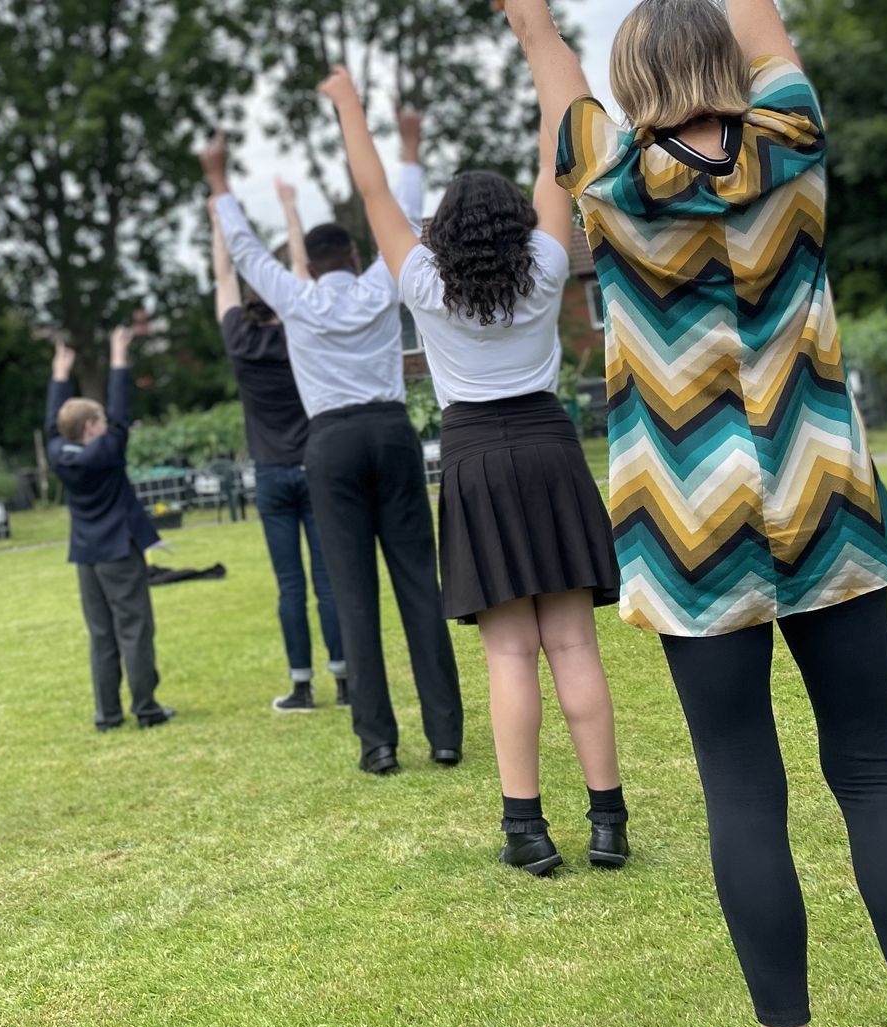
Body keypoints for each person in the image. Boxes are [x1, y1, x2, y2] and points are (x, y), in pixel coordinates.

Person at [507, 0, 887, 1027]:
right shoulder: (794, 140)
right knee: (874, 771)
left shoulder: (603, 180)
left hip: (687, 533)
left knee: (742, 789)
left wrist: (531, 21)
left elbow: (548, 59)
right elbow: (767, 39)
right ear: (730, 68)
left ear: (633, 83)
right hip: (827, 501)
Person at [321, 66, 630, 876]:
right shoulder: (550, 262)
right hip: (550, 448)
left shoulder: (422, 279)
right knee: (573, 645)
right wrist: (541, 56)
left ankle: (526, 831)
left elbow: (373, 188)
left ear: (445, 233)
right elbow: (554, 151)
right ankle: (607, 823)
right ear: (519, 222)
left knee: (509, 657)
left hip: (474, 459)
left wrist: (349, 103)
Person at [202, 126, 465, 777]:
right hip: (391, 431)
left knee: (352, 593)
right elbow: (401, 218)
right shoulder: (382, 285)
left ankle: (377, 742)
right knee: (418, 587)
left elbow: (242, 251)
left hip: (330, 443)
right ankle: (444, 735)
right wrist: (408, 153)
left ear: (313, 265)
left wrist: (219, 184)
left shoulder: (295, 297)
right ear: (353, 254)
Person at [207, 188, 348, 713]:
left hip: (269, 475)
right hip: (313, 467)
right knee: (326, 581)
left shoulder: (238, 344)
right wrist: (291, 209)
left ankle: (302, 685)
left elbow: (223, 277)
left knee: (290, 586)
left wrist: (218, 225)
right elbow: (300, 268)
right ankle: (343, 681)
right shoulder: (299, 331)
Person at [46, 330, 177, 732]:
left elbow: (53, 425)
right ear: (90, 427)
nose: (108, 422)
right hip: (119, 550)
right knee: (135, 630)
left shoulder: (57, 452)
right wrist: (120, 357)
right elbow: (121, 413)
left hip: (86, 554)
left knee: (101, 635)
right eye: (100, 419)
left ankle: (108, 714)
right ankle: (146, 708)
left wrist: (59, 374)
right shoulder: (105, 451)